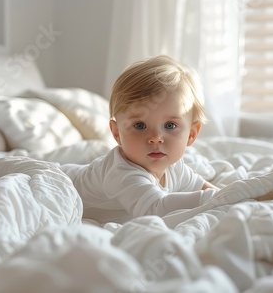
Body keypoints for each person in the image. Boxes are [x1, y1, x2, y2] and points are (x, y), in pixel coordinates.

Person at [61, 55, 219, 225]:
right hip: (61, 183)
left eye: (170, 126)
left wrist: (233, 195)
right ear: (117, 133)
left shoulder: (174, 166)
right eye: (140, 126)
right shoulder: (122, 172)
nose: (156, 138)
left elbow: (200, 185)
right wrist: (217, 197)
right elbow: (155, 210)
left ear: (191, 134)